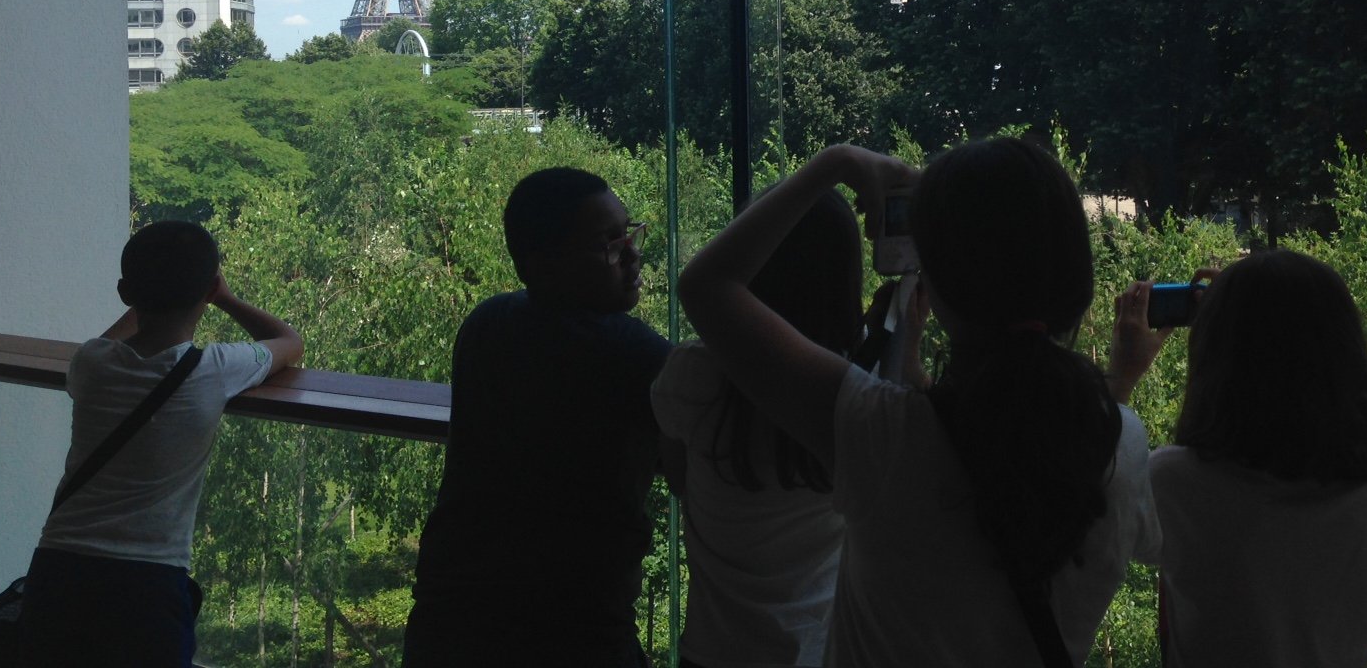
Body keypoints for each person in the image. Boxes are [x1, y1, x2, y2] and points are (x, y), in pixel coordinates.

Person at [678, 138, 1161, 668]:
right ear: (1077, 274)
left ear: (935, 283)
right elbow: (1039, 446)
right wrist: (1122, 376)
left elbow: (707, 287)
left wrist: (834, 162)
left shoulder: (881, 435)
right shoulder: (1125, 446)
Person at [403, 166, 672, 668]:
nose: (633, 252)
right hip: (576, 631)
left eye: (629, 231)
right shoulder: (632, 354)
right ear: (545, 263)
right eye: (610, 243)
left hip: (451, 617)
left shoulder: (487, 325)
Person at [18, 220, 304, 668]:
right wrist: (225, 297)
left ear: (125, 293)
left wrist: (143, 294)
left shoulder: (90, 364)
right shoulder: (215, 371)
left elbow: (108, 341)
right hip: (148, 586)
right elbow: (290, 342)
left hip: (58, 572)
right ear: (208, 288)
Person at [1141, 249, 1367, 667]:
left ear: (1216, 354)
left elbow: (1082, 513)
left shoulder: (1176, 482)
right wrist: (1249, 296)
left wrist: (1120, 378)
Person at [652, 188, 865, 668]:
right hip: (821, 651)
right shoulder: (865, 393)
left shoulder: (694, 374)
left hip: (714, 649)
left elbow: (678, 476)